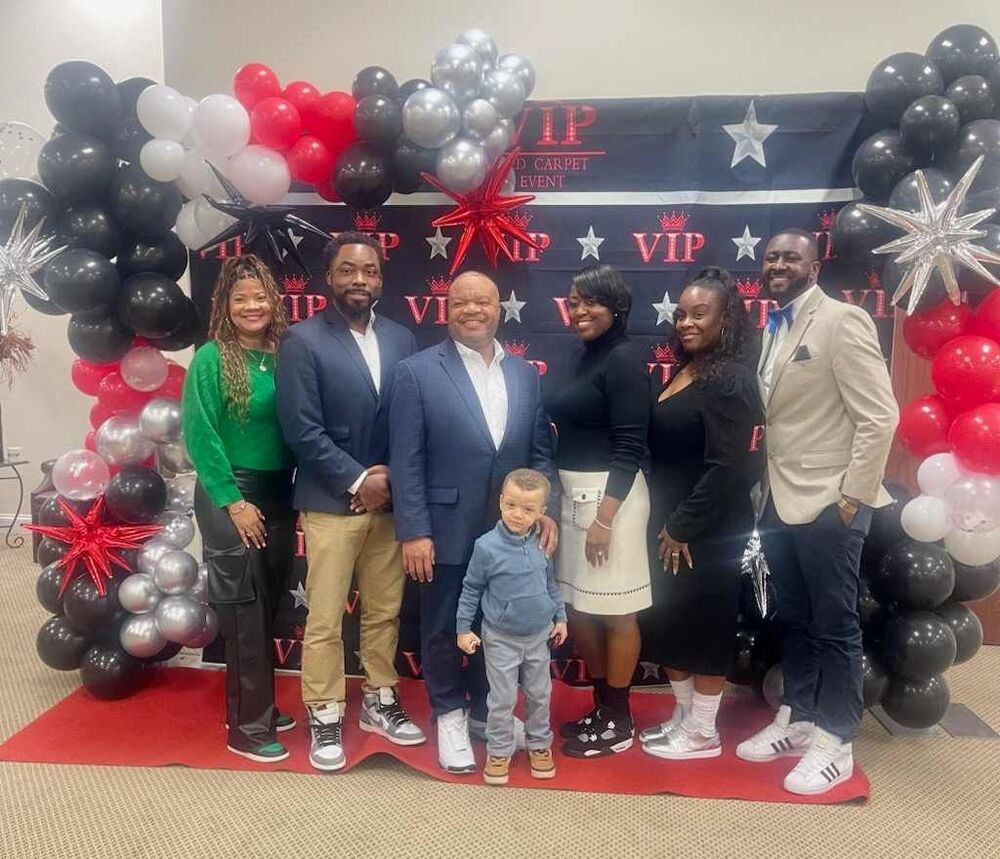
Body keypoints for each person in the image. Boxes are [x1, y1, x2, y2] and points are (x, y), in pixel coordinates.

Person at [736, 229, 898, 795]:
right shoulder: (774, 326)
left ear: (814, 265)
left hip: (831, 499)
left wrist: (851, 495)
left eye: (790, 257)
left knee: (835, 623)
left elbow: (880, 417)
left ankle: (837, 738)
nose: (778, 264)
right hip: (780, 496)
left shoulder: (842, 320)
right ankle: (800, 717)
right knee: (796, 616)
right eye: (771, 257)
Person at [390, 270, 560, 775]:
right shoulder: (417, 372)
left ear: (498, 308)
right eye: (460, 301)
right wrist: (414, 529)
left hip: (511, 531)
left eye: (482, 301)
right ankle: (450, 715)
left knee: (499, 625)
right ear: (446, 309)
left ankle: (487, 710)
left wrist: (544, 508)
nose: (472, 310)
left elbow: (538, 451)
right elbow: (406, 460)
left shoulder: (525, 373)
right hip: (443, 527)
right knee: (444, 626)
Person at [276, 233, 424, 772]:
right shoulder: (302, 339)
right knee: (324, 616)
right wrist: (360, 479)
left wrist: (387, 481)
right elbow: (301, 429)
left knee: (385, 610)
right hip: (332, 501)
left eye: (370, 271)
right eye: (348, 270)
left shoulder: (403, 339)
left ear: (382, 279)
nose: (360, 280)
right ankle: (325, 710)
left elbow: (410, 421)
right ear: (329, 277)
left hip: (390, 504)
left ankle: (381, 701)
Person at [637, 267, 764, 761]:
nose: (687, 322)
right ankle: (686, 718)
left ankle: (704, 733)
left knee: (705, 625)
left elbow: (735, 465)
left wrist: (683, 525)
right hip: (669, 524)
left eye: (700, 314)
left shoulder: (730, 379)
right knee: (671, 623)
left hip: (706, 528)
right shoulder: (684, 371)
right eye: (682, 313)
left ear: (726, 320)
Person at [183, 254, 296, 763]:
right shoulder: (211, 358)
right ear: (225, 306)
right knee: (245, 611)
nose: (252, 305)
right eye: (241, 298)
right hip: (231, 495)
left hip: (276, 493)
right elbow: (201, 436)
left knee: (266, 606)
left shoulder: (283, 354)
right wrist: (233, 502)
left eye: (260, 296)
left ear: (274, 301)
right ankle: (247, 730)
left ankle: (260, 706)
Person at [543, 265, 651, 758]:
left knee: (617, 613)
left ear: (617, 307)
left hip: (614, 499)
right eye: (574, 301)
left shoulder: (626, 358)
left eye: (592, 302)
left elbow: (630, 446)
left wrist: (605, 519)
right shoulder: (580, 356)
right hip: (572, 495)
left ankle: (620, 717)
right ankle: (603, 707)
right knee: (582, 609)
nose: (580, 311)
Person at [456, 469, 568, 785]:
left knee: (540, 695)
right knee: (502, 700)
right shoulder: (486, 546)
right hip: (501, 638)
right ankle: (499, 750)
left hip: (538, 637)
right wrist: (463, 629)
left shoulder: (541, 543)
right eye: (511, 506)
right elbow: (471, 589)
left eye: (528, 509)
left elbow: (550, 584)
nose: (517, 515)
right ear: (502, 502)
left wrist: (560, 617)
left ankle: (539, 745)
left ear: (542, 512)